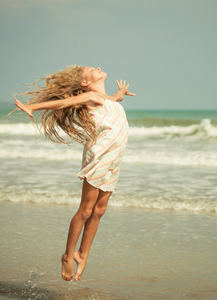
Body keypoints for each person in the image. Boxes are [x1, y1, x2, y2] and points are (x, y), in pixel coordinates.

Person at [13, 65, 135, 282]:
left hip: (114, 160)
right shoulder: (91, 96)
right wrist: (33, 106)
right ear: (85, 83)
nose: (97, 67)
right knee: (86, 210)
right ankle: (68, 256)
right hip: (99, 156)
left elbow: (115, 98)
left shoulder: (106, 98)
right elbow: (63, 103)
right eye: (91, 69)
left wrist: (122, 94)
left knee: (99, 210)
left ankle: (82, 254)